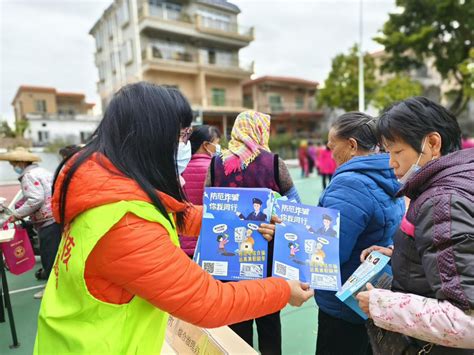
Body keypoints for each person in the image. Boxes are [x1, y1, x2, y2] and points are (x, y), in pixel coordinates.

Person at [33, 83, 313, 354]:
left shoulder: (112, 190)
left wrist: (254, 218)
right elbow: (208, 302)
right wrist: (283, 289)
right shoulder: (125, 225)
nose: (184, 144)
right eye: (181, 135)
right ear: (151, 139)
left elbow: (184, 215)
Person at [357, 97, 474, 353]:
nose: (391, 163)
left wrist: (382, 306)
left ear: (432, 143)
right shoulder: (461, 178)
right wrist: (401, 253)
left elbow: (467, 321)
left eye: (396, 151)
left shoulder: (442, 201)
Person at [206, 110, 301, 355]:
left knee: (237, 316)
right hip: (266, 251)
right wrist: (275, 215)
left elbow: (209, 204)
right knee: (269, 316)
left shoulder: (217, 163)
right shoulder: (273, 161)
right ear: (260, 130)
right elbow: (294, 204)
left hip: (228, 255)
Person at [314, 112, 405, 355]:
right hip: (371, 291)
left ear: (352, 145)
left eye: (333, 146)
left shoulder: (349, 185)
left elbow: (330, 251)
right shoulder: (389, 174)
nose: (330, 152)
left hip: (342, 300)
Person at [0, 147, 61, 299]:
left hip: (46, 220)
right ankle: (56, 286)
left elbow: (35, 199)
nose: (14, 167)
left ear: (20, 162)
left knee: (49, 256)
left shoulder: (28, 175)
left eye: (14, 164)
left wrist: (17, 214)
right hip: (55, 216)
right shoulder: (44, 172)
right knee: (56, 255)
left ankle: (51, 289)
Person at [180, 125, 221, 256]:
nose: (218, 148)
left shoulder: (179, 169)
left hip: (181, 240)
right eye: (216, 144)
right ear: (205, 145)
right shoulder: (215, 169)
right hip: (207, 240)